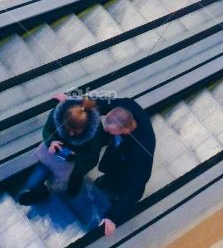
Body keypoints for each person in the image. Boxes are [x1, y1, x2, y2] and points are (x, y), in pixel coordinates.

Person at [18, 96, 105, 204]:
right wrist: (52, 142)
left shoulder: (96, 132)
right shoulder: (56, 115)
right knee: (32, 184)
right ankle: (41, 194)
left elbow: (92, 156)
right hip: (52, 156)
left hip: (77, 164)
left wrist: (76, 158)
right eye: (68, 129)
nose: (71, 134)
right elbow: (47, 130)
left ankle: (75, 179)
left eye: (76, 131)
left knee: (74, 182)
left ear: (86, 126)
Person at [93, 99, 156, 236]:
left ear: (125, 130)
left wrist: (112, 217)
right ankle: (109, 180)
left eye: (111, 131)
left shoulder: (142, 150)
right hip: (117, 156)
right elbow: (101, 104)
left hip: (126, 169)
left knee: (122, 183)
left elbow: (137, 185)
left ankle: (115, 189)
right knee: (111, 173)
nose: (105, 130)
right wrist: (74, 102)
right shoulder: (127, 106)